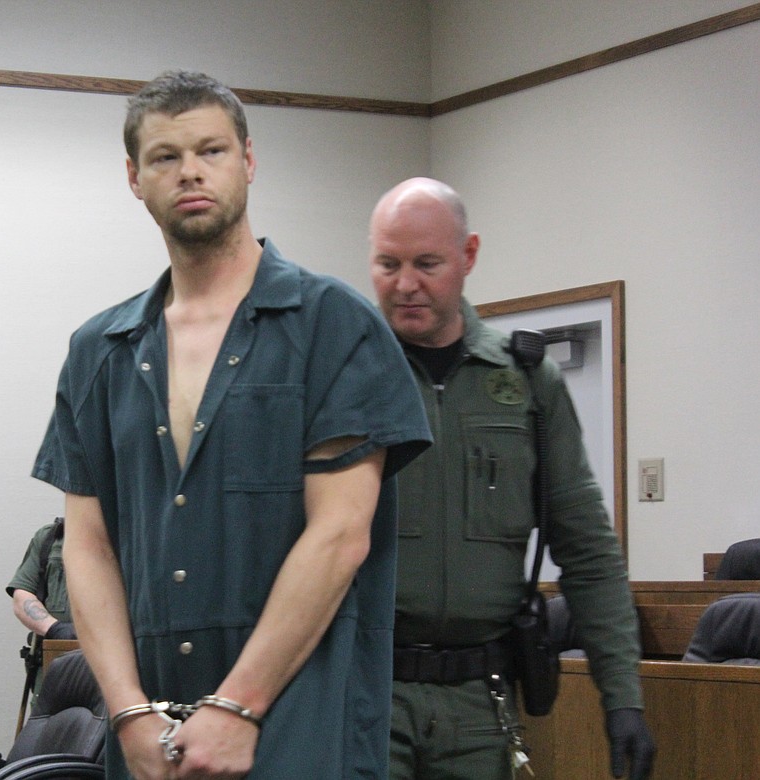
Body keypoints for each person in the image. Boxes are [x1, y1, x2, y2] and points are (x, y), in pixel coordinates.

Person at [32, 71, 431, 779]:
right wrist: (125, 712)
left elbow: (339, 535)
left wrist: (236, 706)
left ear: (247, 161)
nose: (190, 171)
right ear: (134, 178)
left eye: (211, 151)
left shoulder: (333, 328)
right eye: (165, 157)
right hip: (147, 735)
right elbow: (86, 548)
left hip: (298, 727)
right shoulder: (100, 352)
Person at [368, 177, 655, 780]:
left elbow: (587, 549)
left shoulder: (526, 381)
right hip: (365, 692)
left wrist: (622, 695)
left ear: (468, 255)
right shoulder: (346, 375)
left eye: (427, 263)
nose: (405, 284)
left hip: (482, 704)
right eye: (387, 264)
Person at [7, 517, 76, 641]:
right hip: (55, 651)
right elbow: (22, 595)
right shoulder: (51, 537)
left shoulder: (122, 540)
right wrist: (55, 629)